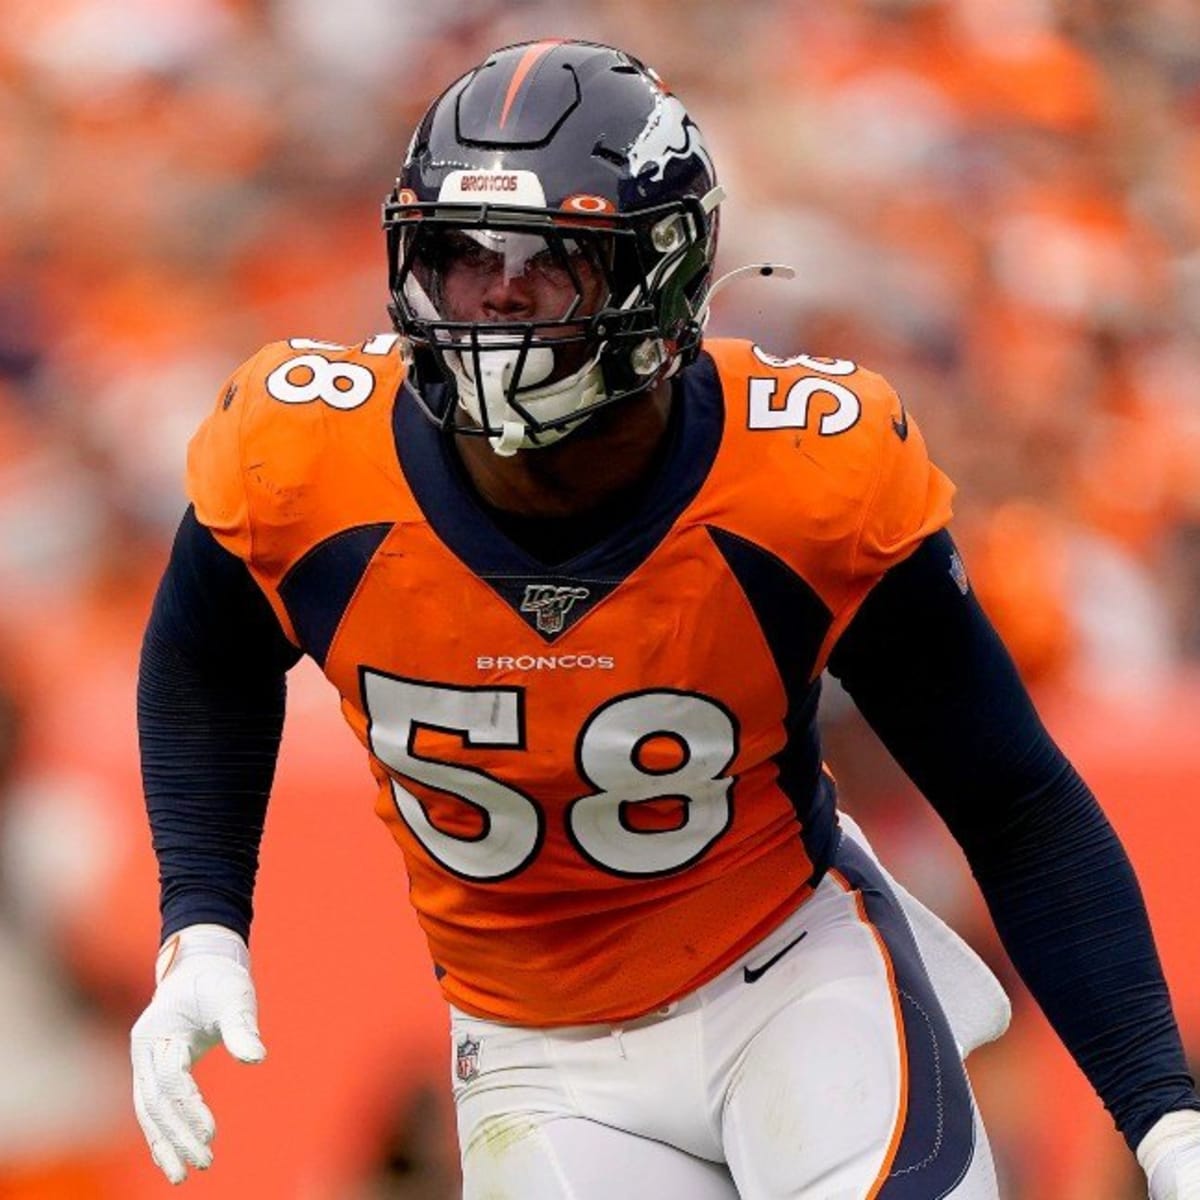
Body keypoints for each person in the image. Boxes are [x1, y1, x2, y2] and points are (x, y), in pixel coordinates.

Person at [130, 39, 1200, 1198]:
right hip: (533, 1052)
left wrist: (1161, 1113)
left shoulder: (800, 474)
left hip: (792, 981)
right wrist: (203, 921)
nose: (496, 293)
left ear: (665, 271)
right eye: (459, 253)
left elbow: (1011, 797)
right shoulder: (304, 455)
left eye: (550, 262)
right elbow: (202, 658)